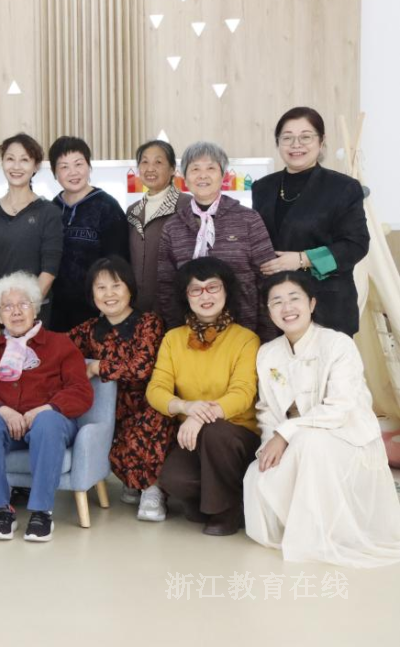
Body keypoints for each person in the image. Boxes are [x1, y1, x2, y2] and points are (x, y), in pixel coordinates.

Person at [244, 271, 400, 567]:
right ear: (269, 310)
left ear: (312, 304)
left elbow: (340, 407)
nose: (287, 308)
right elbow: (266, 409)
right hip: (294, 438)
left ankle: (319, 534)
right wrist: (269, 443)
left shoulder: (338, 344)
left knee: (311, 443)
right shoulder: (267, 353)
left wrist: (285, 433)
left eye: (294, 299)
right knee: (257, 473)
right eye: (277, 302)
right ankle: (299, 529)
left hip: (345, 436)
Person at [0, 272, 93, 542]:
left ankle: (41, 512)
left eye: (23, 304)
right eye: (7, 307)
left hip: (50, 424)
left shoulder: (60, 344)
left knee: (47, 423)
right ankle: (2, 510)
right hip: (7, 425)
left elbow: (81, 391)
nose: (16, 312)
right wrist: (3, 410)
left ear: (35, 308)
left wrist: (45, 409)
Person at [146, 257, 260, 536]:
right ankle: (223, 499)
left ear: (226, 291)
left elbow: (243, 393)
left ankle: (226, 512)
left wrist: (200, 417)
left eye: (213, 287)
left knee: (215, 432)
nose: (205, 296)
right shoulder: (173, 339)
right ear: (186, 296)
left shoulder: (246, 339)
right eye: (196, 289)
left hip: (236, 435)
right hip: (194, 437)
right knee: (173, 480)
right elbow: (156, 389)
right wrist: (186, 407)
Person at [69, 257, 173, 521]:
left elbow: (141, 368)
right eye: (101, 288)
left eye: (116, 286)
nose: (109, 294)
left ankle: (151, 488)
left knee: (153, 417)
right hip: (109, 409)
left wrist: (96, 367)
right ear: (92, 295)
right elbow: (55, 348)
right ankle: (132, 479)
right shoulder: (90, 329)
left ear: (129, 289)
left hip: (145, 404)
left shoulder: (149, 322)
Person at [253, 106, 370, 336]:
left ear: (321, 141)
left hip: (327, 307)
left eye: (306, 137)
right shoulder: (262, 187)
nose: (296, 144)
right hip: (276, 309)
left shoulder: (343, 187)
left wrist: (303, 259)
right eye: (287, 137)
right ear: (278, 142)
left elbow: (356, 244)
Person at [156, 141, 275, 336]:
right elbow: (167, 287)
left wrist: (266, 334)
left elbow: (268, 279)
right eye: (195, 169)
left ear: (223, 175)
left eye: (211, 168)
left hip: (245, 330)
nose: (202, 175)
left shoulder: (248, 219)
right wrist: (177, 333)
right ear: (184, 177)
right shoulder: (173, 226)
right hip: (191, 334)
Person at [0, 133, 63, 336]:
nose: (16, 166)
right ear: (2, 163)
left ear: (36, 166)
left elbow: (49, 269)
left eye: (24, 160)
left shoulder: (48, 212)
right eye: (10, 159)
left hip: (36, 316)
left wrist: (24, 312)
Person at [48, 136, 129, 332]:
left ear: (89, 166)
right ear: (54, 173)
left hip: (97, 309)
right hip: (55, 310)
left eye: (78, 164)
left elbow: (118, 261)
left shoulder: (107, 206)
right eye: (64, 167)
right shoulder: (51, 208)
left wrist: (108, 306)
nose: (73, 172)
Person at [126, 139, 191, 314]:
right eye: (144, 162)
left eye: (158, 162)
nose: (150, 168)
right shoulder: (132, 211)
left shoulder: (187, 206)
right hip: (138, 310)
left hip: (176, 308)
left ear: (172, 169)